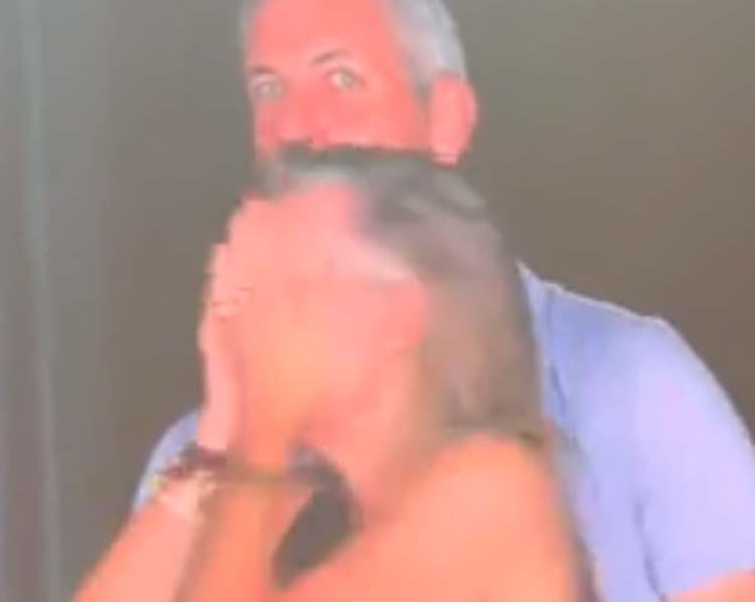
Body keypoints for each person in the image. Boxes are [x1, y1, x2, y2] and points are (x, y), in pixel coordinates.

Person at [90, 0, 755, 602]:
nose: (297, 127)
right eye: (269, 89)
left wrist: (259, 437)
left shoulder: (612, 386)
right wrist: (225, 431)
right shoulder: (207, 452)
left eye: (340, 79)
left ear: (447, 119)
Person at [78, 147, 595, 600]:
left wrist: (262, 432)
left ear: (396, 317)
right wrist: (219, 435)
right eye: (241, 285)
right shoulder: (294, 499)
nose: (246, 315)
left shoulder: (491, 487)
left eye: (288, 284)